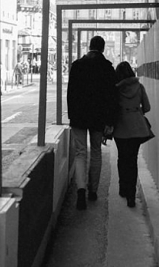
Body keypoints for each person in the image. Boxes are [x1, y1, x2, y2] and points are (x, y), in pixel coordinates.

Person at [66, 36, 119, 210]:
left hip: (79, 117)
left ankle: (81, 190)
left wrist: (72, 116)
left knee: (81, 153)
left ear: (89, 47)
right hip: (98, 118)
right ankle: (93, 191)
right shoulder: (107, 68)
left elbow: (70, 93)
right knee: (96, 151)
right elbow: (112, 97)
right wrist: (110, 121)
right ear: (103, 49)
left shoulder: (77, 65)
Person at [111, 61, 154, 208]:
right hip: (137, 128)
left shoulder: (116, 90)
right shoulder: (139, 87)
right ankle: (131, 196)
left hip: (121, 128)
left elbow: (112, 109)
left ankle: (123, 188)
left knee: (122, 158)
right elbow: (147, 107)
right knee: (132, 160)